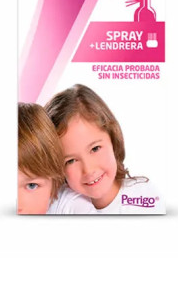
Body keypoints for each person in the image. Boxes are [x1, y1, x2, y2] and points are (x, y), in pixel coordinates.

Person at [45, 84, 164, 214]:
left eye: (95, 149)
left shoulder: (142, 197)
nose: (88, 170)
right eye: (71, 161)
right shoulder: (60, 206)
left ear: (112, 138)